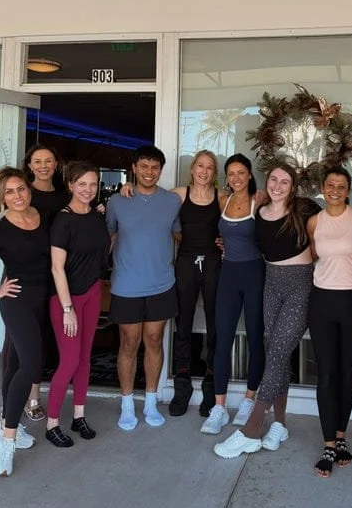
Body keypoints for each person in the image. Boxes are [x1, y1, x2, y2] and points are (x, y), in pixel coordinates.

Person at [214, 163, 320, 457]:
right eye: (273, 179)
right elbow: (243, 240)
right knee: (275, 349)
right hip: (271, 282)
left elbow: (332, 228)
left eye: (284, 181)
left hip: (300, 283)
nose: (277, 185)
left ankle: (251, 429)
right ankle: (280, 424)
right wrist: (224, 244)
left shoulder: (304, 209)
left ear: (293, 186)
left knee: (276, 353)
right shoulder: (259, 212)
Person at [0, 143, 69, 422]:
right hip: (18, 293)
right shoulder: (8, 215)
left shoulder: (50, 205)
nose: (17, 195)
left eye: (48, 160)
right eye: (37, 161)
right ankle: (9, 427)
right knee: (26, 361)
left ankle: (9, 415)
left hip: (47, 288)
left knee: (24, 357)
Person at [0, 167, 51, 476]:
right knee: (30, 367)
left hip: (42, 301)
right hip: (16, 303)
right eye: (10, 192)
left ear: (29, 190)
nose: (17, 196)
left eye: (21, 189)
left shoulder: (42, 217)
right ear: (2, 198)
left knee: (15, 366)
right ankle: (7, 440)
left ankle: (6, 419)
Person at [106, 145, 181, 431]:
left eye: (155, 167)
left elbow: (179, 232)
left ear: (160, 170)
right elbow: (108, 234)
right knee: (128, 343)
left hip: (162, 283)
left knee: (154, 340)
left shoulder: (172, 200)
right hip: (126, 284)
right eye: (144, 166)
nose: (150, 172)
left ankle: (150, 401)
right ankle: (127, 404)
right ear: (134, 168)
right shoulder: (117, 201)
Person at [306, 166, 352, 477]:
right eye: (330, 184)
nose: (334, 189)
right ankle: (328, 444)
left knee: (347, 374)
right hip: (322, 302)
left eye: (341, 185)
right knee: (327, 375)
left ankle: (342, 438)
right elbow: (313, 256)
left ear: (349, 189)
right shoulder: (314, 221)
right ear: (322, 187)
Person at [45, 161, 111, 447]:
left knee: (85, 358)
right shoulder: (63, 219)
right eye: (81, 184)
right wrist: (67, 308)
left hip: (93, 293)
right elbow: (57, 268)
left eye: (93, 184)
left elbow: (103, 249)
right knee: (69, 360)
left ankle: (79, 416)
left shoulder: (97, 217)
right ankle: (52, 423)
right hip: (65, 299)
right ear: (70, 185)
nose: (88, 189)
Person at [200, 153, 266, 435]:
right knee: (222, 337)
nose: (236, 178)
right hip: (228, 274)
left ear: (249, 175)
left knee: (254, 337)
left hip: (254, 274)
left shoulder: (260, 199)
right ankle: (219, 407)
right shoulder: (222, 200)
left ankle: (249, 400)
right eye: (231, 173)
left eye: (241, 172)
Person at [169, 150, 227, 417]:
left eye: (210, 167)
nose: (204, 171)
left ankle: (210, 385)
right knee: (183, 323)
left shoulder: (221, 197)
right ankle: (182, 385)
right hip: (186, 262)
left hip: (214, 263)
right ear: (192, 169)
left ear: (214, 173)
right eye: (200, 166)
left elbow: (243, 214)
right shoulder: (179, 194)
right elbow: (151, 204)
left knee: (216, 323)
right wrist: (128, 189)